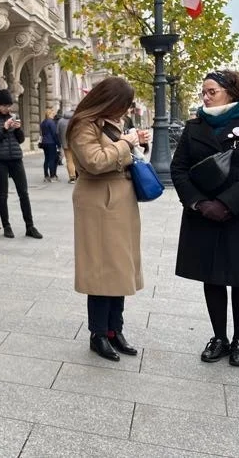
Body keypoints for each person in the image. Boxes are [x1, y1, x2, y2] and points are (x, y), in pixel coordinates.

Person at [171, 70, 239, 367]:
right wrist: (199, 203)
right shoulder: (194, 126)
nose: (205, 97)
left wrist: (227, 204)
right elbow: (179, 169)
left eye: (212, 91)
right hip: (204, 214)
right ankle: (219, 337)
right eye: (203, 92)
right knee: (213, 277)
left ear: (230, 92)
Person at [67, 77, 148, 362]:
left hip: (121, 202)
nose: (125, 111)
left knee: (119, 268)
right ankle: (98, 333)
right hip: (99, 202)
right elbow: (95, 161)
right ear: (108, 101)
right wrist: (126, 144)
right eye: (122, 105)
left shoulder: (111, 124)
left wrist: (137, 144)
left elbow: (121, 155)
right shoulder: (83, 125)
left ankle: (116, 330)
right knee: (102, 269)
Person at [0, 89, 43, 239]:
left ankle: (30, 226)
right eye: (5, 105)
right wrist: (4, 129)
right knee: (3, 195)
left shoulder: (14, 117)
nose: (8, 108)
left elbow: (20, 140)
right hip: (0, 161)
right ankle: (7, 226)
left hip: (16, 159)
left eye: (9, 105)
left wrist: (18, 129)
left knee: (24, 193)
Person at [40, 108, 60, 182]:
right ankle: (52, 176)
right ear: (49, 114)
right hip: (51, 142)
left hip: (44, 142)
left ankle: (46, 176)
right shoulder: (51, 122)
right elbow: (54, 134)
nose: (54, 115)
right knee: (52, 159)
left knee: (46, 159)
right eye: (52, 113)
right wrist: (58, 143)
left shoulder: (43, 122)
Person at [57, 108, 76, 183]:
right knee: (77, 160)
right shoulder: (76, 119)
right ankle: (77, 176)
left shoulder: (61, 120)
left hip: (65, 144)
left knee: (69, 160)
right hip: (76, 144)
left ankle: (72, 177)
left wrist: (61, 141)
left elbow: (57, 132)